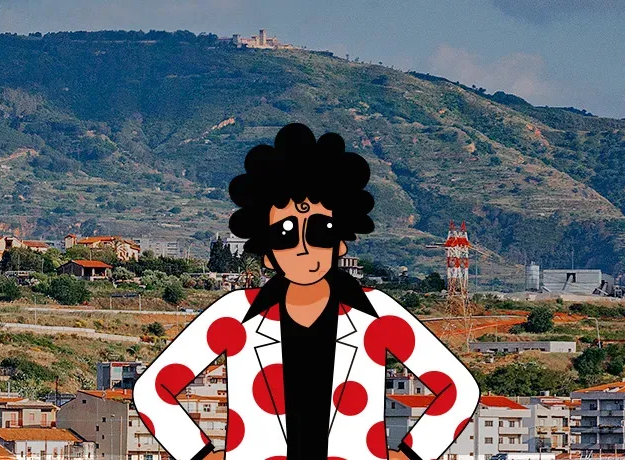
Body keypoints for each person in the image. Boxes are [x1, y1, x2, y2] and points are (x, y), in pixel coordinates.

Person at [132, 123, 476, 460]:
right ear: (267, 252)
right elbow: (152, 390)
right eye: (285, 234)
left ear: (340, 243)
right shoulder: (234, 315)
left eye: (320, 231)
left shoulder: (377, 313)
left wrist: (412, 454)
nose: (303, 247)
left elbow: (459, 389)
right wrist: (201, 454)